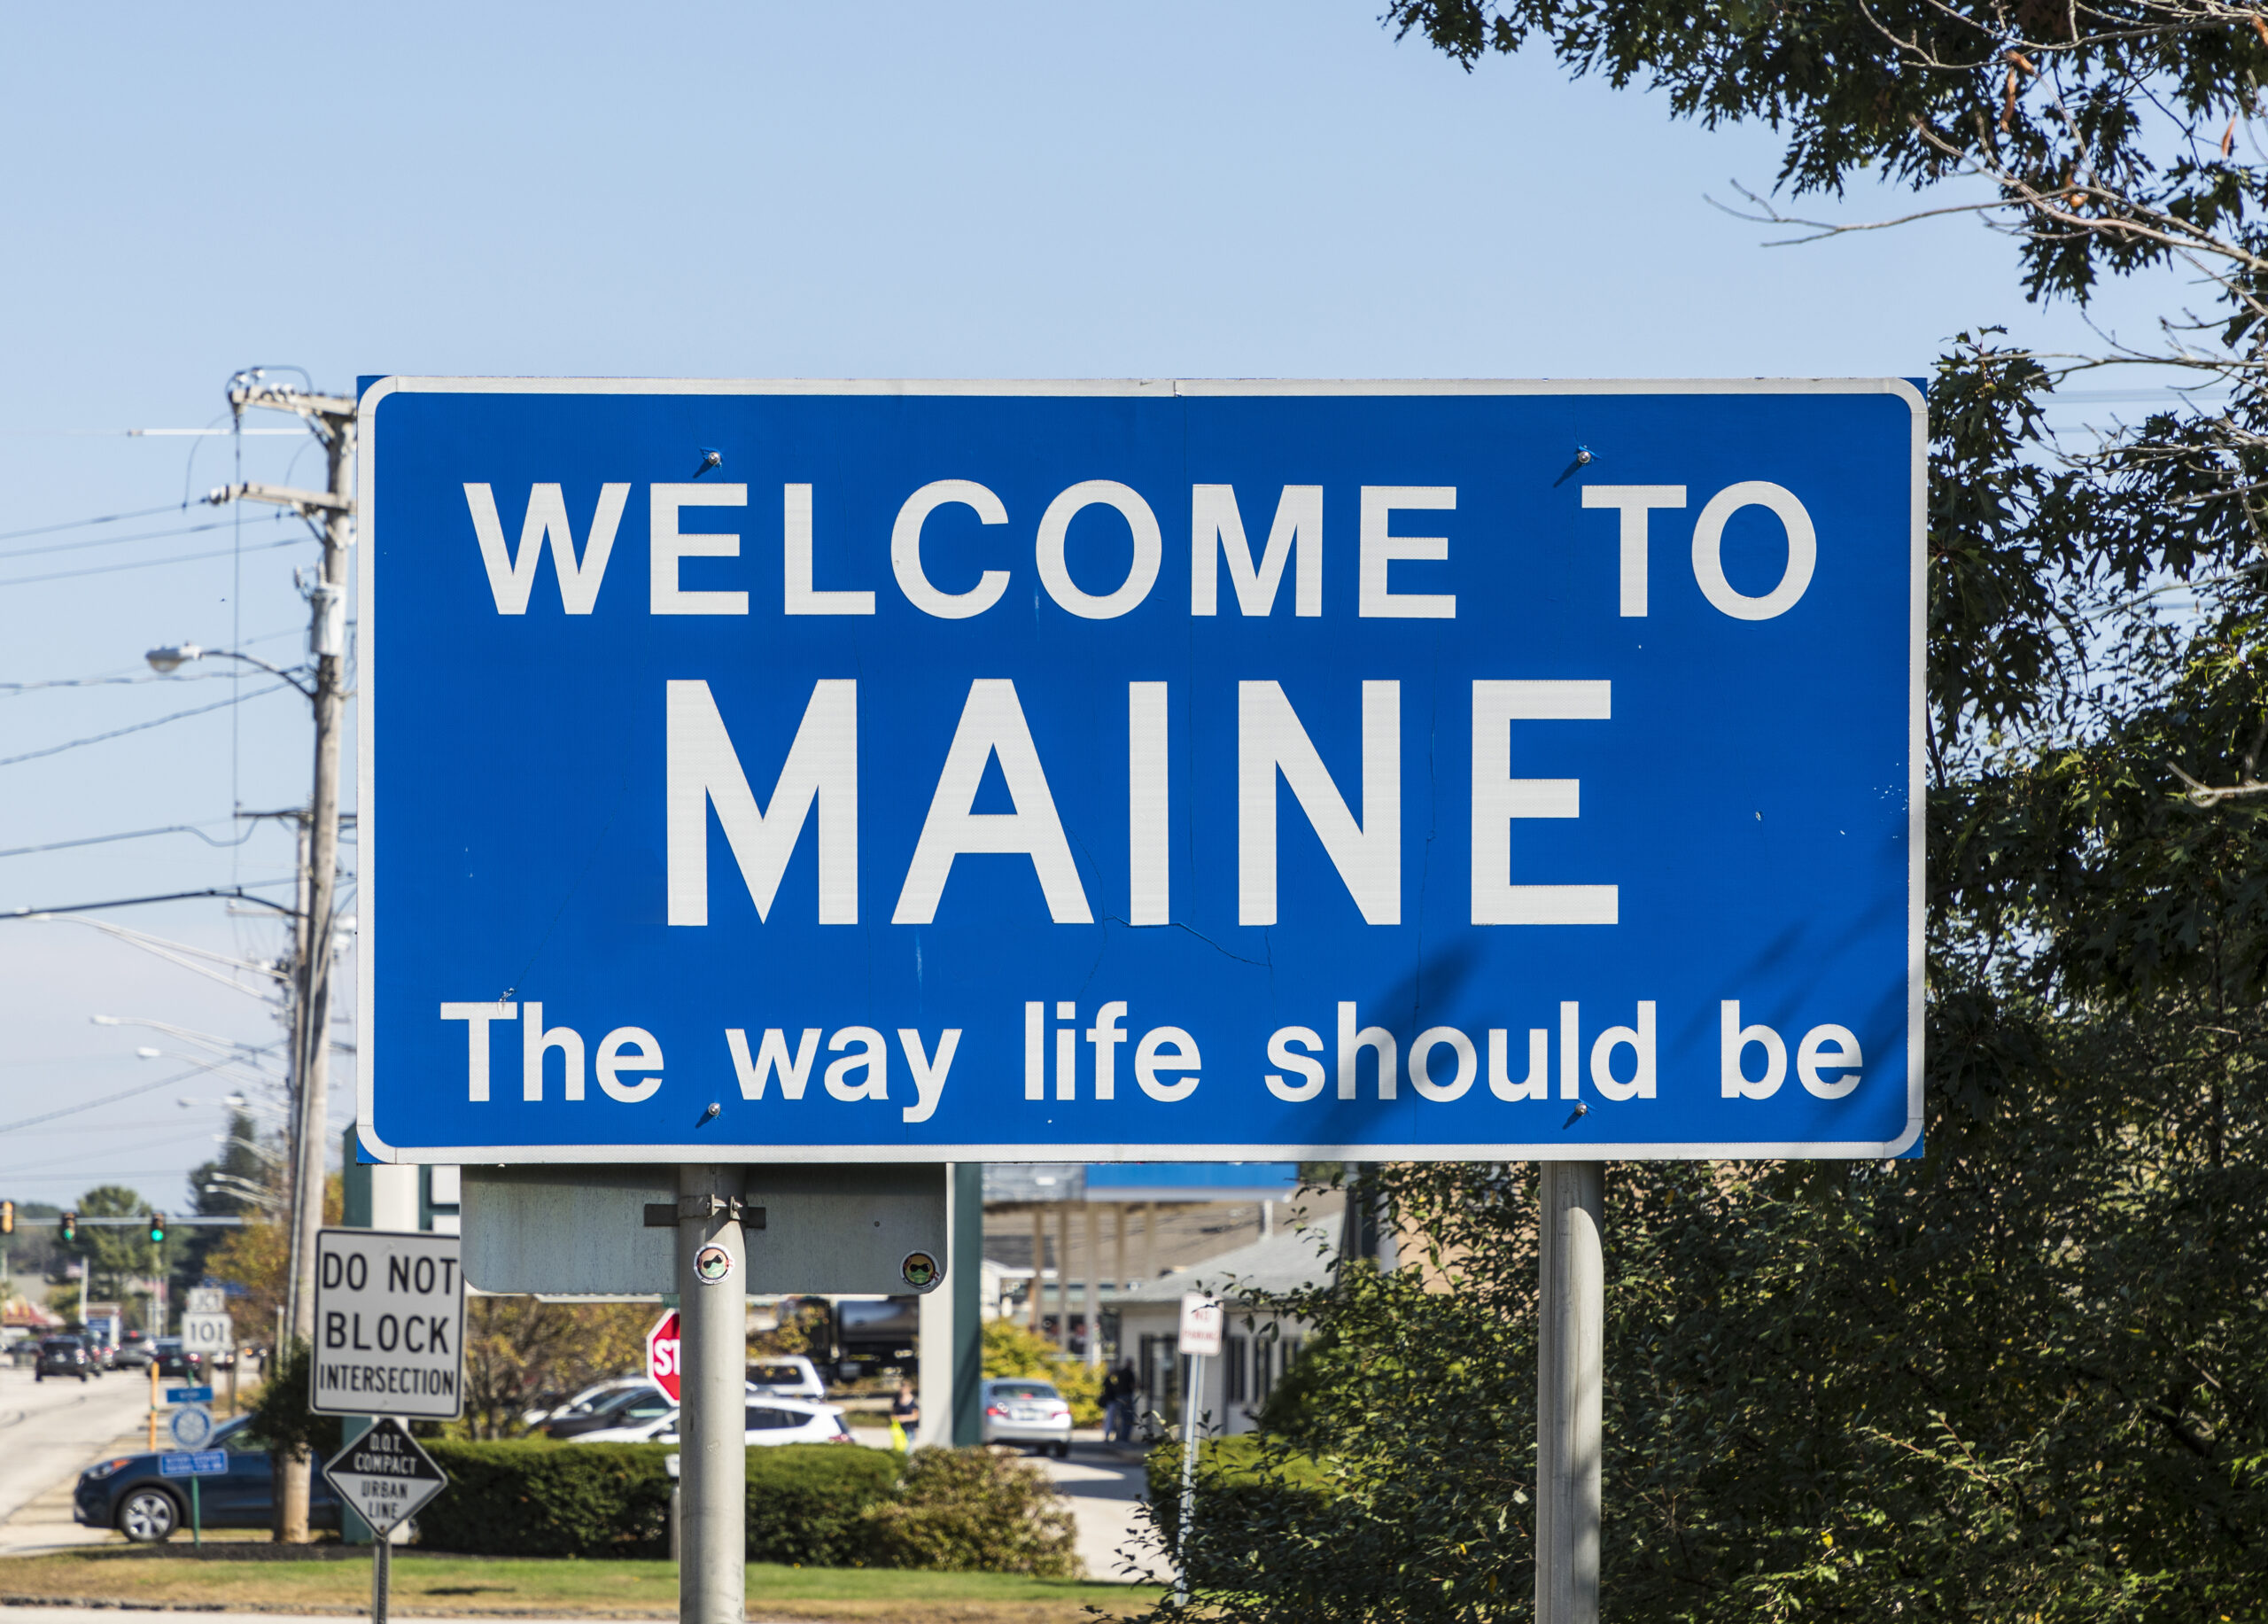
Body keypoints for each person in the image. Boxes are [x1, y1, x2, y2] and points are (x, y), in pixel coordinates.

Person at [888, 1379, 919, 1450]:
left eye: (904, 1387)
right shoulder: (897, 1401)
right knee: (898, 1448)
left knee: (907, 1449)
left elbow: (915, 1416)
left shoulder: (913, 1402)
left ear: (909, 1388)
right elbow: (892, 1414)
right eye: (902, 1387)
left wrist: (904, 1418)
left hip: (909, 1428)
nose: (902, 1389)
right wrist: (895, 1418)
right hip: (898, 1428)